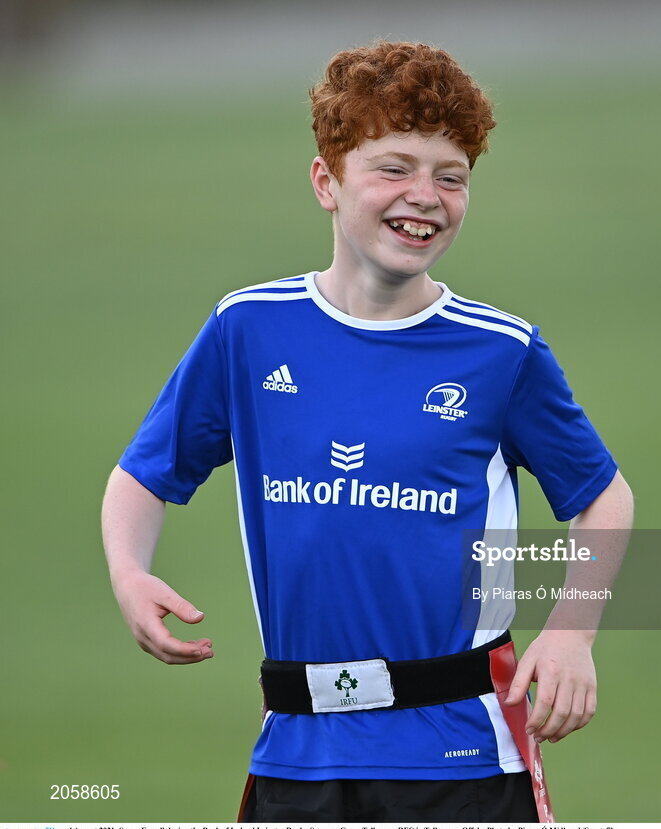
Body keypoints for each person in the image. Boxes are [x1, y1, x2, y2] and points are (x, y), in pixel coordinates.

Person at [101, 40, 633, 822]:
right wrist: (128, 569)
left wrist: (573, 634)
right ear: (327, 180)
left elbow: (604, 497)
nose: (425, 195)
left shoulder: (500, 350)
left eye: (451, 177)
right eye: (394, 167)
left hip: (462, 749)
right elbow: (144, 475)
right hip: (298, 748)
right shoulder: (247, 329)